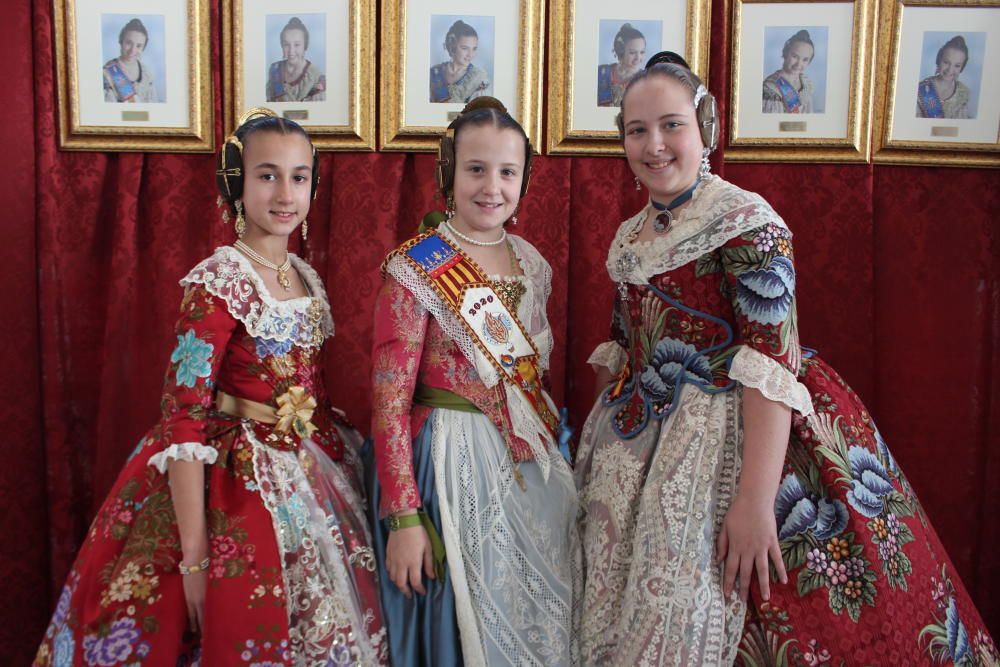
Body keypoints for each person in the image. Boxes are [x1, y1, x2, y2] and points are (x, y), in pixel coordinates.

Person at [575, 52, 997, 665]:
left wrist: (753, 501)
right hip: (641, 447)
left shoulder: (748, 224)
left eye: (672, 125)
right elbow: (622, 353)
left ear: (705, 132)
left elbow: (772, 368)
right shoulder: (631, 234)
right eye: (637, 131)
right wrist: (595, 455)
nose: (655, 144)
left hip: (744, 434)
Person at [32, 109, 387, 666]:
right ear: (235, 183)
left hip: (307, 467)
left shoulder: (303, 276)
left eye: (299, 177)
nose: (285, 193)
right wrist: (194, 558)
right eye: (267, 175)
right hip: (230, 477)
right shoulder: (219, 281)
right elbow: (184, 412)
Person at [368, 97, 580, 665]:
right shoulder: (416, 265)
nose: (492, 186)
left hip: (525, 463)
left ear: (524, 179)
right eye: (476, 169)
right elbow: (388, 402)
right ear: (449, 173)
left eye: (507, 172)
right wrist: (404, 517)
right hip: (446, 463)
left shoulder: (533, 262)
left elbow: (535, 381)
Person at [429, 20, 490, 104]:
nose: (470, 54)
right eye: (465, 48)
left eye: (474, 49)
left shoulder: (478, 79)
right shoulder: (434, 72)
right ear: (452, 46)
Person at [266, 17, 326, 102]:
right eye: (286, 44)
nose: (291, 51)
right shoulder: (274, 69)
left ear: (305, 46)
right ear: (282, 45)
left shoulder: (316, 77)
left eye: (297, 45)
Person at [103, 18, 158, 103]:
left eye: (139, 46)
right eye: (129, 43)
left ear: (143, 48)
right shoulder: (107, 72)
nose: (133, 50)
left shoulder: (146, 73)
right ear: (121, 42)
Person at [917, 35, 972, 119]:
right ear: (939, 60)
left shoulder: (964, 93)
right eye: (946, 62)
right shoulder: (921, 89)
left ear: (962, 68)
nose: (950, 69)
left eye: (957, 65)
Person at [762, 29, 815, 113]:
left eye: (805, 59)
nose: (799, 64)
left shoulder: (806, 85)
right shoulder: (771, 88)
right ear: (785, 53)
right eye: (795, 56)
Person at [597, 23, 646, 107]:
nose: (638, 57)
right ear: (620, 51)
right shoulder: (602, 72)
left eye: (642, 52)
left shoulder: (646, 78)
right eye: (632, 52)